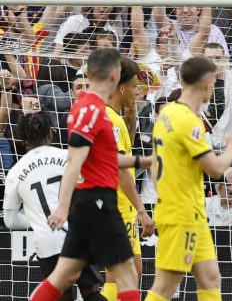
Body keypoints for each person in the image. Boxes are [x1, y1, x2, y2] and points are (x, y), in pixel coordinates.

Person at [32, 48, 149, 301]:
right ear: (116, 76)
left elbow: (104, 157)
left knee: (64, 276)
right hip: (99, 202)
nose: (135, 91)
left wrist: (143, 160)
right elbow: (75, 159)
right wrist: (62, 207)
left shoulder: (89, 108)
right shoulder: (96, 111)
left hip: (89, 201)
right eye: (133, 85)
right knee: (126, 274)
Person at [144, 57, 232, 301]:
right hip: (182, 214)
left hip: (190, 212)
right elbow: (215, 169)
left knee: (210, 278)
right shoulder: (189, 121)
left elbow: (156, 167)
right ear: (208, 83)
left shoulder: (166, 114)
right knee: (165, 287)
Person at [4, 113, 105, 301]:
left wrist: (39, 219)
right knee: (91, 293)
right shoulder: (68, 157)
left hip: (47, 243)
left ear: (23, 140)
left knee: (60, 297)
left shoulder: (15, 172)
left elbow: (10, 220)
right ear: (50, 135)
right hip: (78, 236)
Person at [101, 57, 156, 301]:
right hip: (115, 205)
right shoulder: (110, 120)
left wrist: (132, 111)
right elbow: (119, 168)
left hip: (120, 205)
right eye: (134, 87)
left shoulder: (116, 117)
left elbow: (128, 145)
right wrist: (142, 210)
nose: (137, 92)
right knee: (121, 276)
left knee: (133, 273)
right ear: (122, 88)